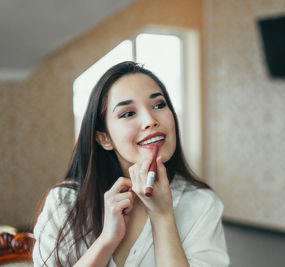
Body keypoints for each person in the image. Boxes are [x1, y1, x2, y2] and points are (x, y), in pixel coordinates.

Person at [33, 61, 230, 267]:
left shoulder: (202, 203)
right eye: (128, 113)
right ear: (104, 138)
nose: (150, 120)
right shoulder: (64, 202)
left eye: (159, 105)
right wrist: (107, 240)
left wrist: (162, 216)